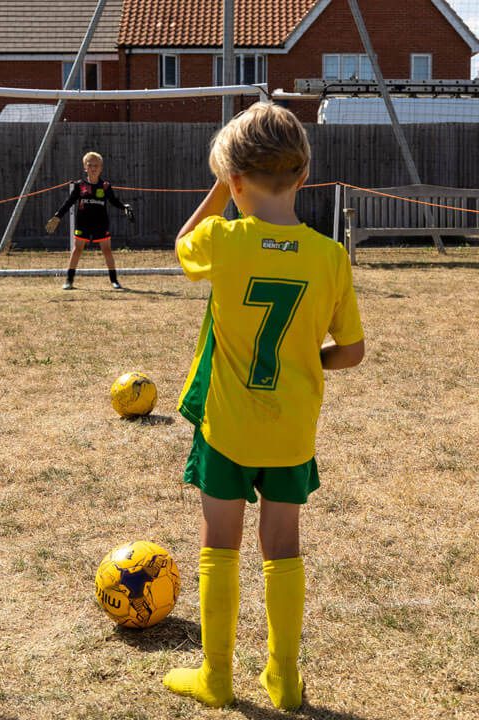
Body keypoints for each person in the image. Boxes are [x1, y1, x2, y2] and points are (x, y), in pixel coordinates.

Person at [162, 102, 365, 711]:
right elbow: (351, 352)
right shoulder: (330, 257)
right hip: (292, 430)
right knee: (283, 546)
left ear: (234, 179)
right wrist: (309, 363)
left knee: (219, 544)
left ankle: (216, 677)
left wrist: (219, 194)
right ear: (303, 177)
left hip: (226, 426)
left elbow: (181, 243)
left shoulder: (224, 239)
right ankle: (283, 678)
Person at [45, 151, 133, 290]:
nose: (93, 167)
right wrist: (58, 216)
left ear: (101, 167)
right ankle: (69, 280)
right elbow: (68, 202)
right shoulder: (79, 185)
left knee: (107, 251)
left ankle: (114, 280)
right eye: (90, 165)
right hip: (83, 223)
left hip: (101, 223)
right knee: (77, 250)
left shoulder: (105, 186)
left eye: (96, 165)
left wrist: (124, 207)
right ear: (85, 167)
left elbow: (114, 201)